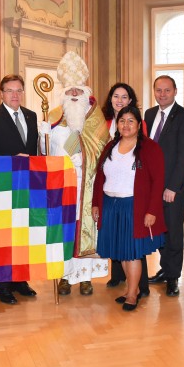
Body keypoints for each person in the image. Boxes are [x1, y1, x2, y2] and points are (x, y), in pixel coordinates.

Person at [39, 52, 110, 296]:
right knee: (65, 231)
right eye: (70, 91)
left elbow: (103, 148)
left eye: (78, 91)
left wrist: (84, 159)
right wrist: (43, 136)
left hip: (87, 185)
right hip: (61, 187)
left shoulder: (95, 116)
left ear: (85, 91)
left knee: (85, 229)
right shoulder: (52, 117)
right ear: (64, 93)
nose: (74, 95)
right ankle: (65, 277)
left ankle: (86, 278)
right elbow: (44, 155)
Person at [92, 107, 166, 311]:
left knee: (132, 252)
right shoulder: (111, 147)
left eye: (130, 121)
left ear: (139, 124)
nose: (125, 125)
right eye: (122, 120)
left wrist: (151, 210)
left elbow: (158, 181)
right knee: (121, 250)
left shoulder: (150, 148)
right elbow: (100, 177)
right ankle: (130, 289)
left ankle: (133, 294)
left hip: (134, 206)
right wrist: (96, 203)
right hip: (111, 205)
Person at [0, 74, 39, 305]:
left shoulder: (31, 116)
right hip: (1, 187)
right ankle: (2, 286)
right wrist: (11, 159)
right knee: (3, 238)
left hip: (26, 187)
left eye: (19, 90)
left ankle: (20, 280)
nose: (14, 95)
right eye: (10, 90)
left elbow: (34, 151)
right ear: (1, 93)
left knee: (22, 236)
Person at [144, 75, 184, 297]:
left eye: (167, 90)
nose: (162, 94)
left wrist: (173, 187)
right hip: (151, 185)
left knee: (173, 231)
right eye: (158, 90)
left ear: (175, 91)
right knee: (158, 229)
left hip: (172, 187)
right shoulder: (149, 114)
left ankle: (173, 277)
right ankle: (165, 269)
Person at [101, 83, 149, 294]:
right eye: (116, 96)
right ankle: (118, 276)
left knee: (134, 243)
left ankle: (140, 287)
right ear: (110, 99)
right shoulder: (103, 122)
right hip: (112, 185)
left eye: (124, 97)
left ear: (130, 100)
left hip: (132, 190)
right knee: (117, 236)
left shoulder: (140, 124)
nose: (119, 100)